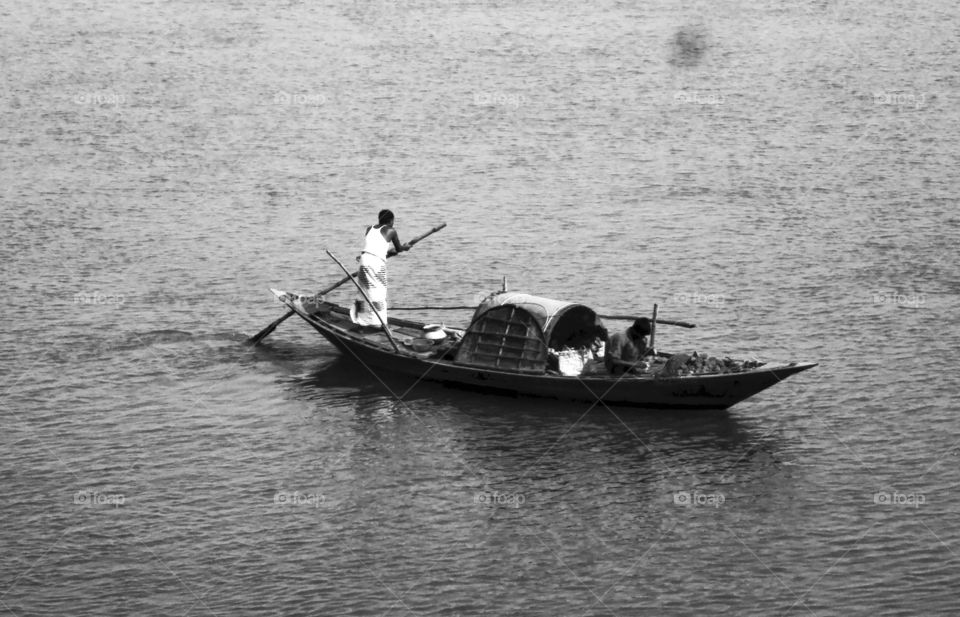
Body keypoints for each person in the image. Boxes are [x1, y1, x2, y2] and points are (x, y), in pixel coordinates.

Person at [350, 209, 409, 328]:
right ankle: (378, 323)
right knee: (378, 291)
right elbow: (399, 249)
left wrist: (390, 252)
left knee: (364, 291)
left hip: (364, 260)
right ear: (391, 221)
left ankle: (361, 320)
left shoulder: (369, 229)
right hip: (376, 264)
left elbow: (374, 247)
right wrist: (405, 247)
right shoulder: (391, 230)